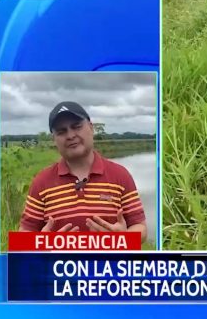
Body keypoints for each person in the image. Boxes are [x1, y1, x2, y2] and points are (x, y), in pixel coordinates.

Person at [18, 101, 148, 242]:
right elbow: (24, 235)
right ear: (54, 139)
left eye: (76, 127)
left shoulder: (120, 175)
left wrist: (124, 239)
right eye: (61, 131)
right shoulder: (41, 182)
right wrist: (42, 243)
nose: (70, 135)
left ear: (91, 128)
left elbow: (140, 228)